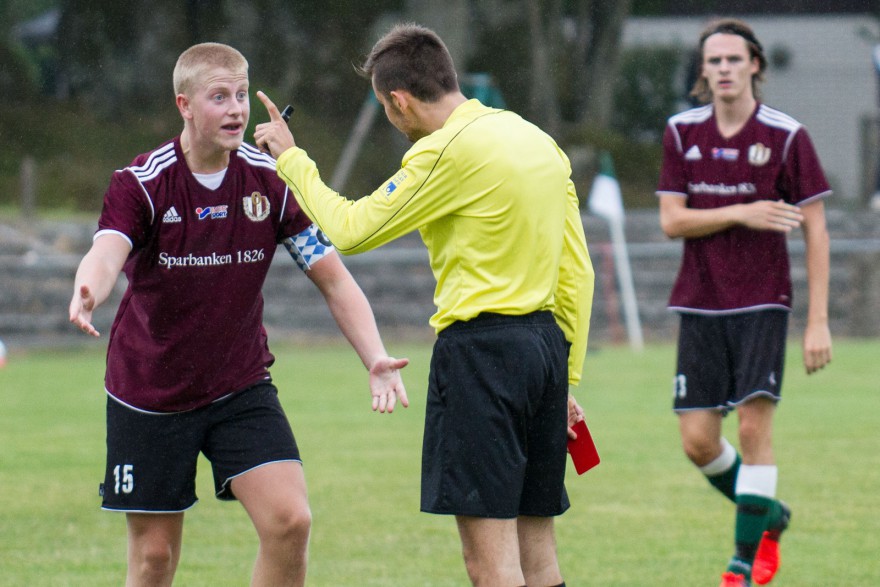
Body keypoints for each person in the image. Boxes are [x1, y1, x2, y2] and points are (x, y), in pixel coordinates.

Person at [254, 22, 594, 587]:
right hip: (545, 354)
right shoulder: (537, 141)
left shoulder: (445, 151)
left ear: (399, 100)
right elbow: (575, 270)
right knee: (540, 555)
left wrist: (292, 160)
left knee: (490, 564)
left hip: (482, 357)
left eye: (387, 108)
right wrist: (568, 376)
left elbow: (351, 229)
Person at [68, 42, 408, 587]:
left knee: (290, 521)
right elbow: (107, 249)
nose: (236, 109)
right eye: (219, 97)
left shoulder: (271, 181)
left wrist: (375, 357)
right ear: (184, 105)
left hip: (239, 385)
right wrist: (90, 287)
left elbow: (333, 276)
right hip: (149, 391)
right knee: (154, 560)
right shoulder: (142, 182)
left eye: (242, 95)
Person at [656, 18, 832, 587]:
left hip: (762, 301)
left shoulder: (786, 136)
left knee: (755, 432)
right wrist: (741, 212)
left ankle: (740, 564)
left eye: (735, 59)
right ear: (703, 71)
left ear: (755, 64)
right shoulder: (682, 132)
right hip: (700, 302)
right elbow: (671, 221)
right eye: (715, 61)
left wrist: (818, 322)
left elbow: (816, 230)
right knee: (698, 441)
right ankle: (769, 516)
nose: (725, 69)